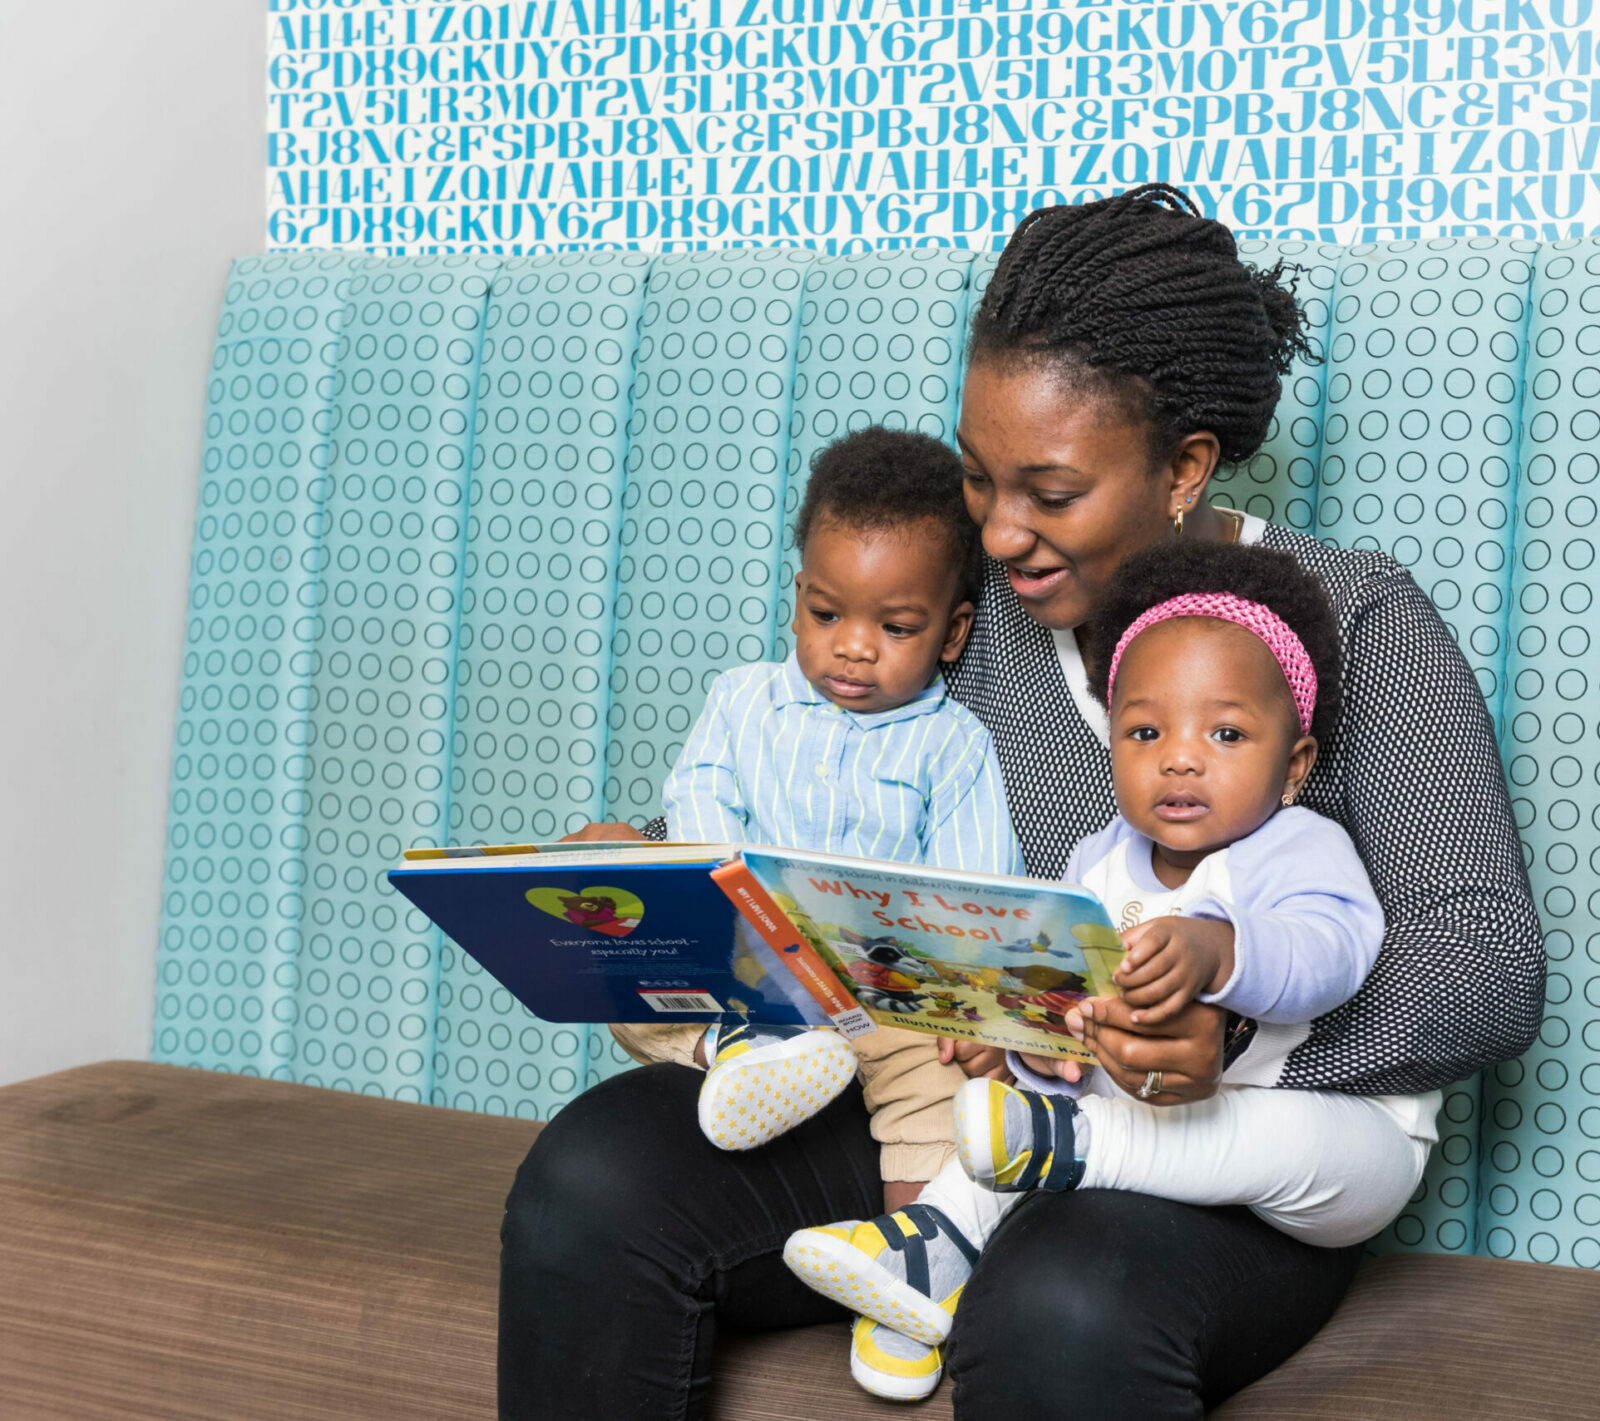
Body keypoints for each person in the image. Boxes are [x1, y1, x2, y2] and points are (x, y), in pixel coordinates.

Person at [497, 185, 1544, 1420]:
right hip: (964, 1099)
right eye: (978, 478)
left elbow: (1482, 960)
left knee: (1057, 1297)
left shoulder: (1354, 620)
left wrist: (1223, 1027)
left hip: (1244, 1140)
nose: (999, 533)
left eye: (1049, 493)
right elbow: (806, 779)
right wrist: (646, 860)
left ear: (1183, 467)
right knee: (596, 1172)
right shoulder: (959, 611)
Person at [782, 541, 1437, 1402]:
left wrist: (1223, 951)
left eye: (1226, 733)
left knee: (1312, 1140)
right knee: (1014, 1122)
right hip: (1128, 1123)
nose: (1180, 757)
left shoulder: (1301, 846)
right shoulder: (1096, 863)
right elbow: (1065, 1017)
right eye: (1145, 731)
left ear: (1295, 766)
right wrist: (1025, 1043)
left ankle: (1072, 1150)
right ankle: (921, 1253)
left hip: (1302, 1152)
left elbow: (1337, 950)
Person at [627, 426, 1020, 1191]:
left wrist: (971, 1008)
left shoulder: (952, 743)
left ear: (952, 632)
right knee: (633, 986)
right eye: (828, 614)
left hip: (885, 1003)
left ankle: (914, 1236)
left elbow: (976, 895)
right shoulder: (742, 701)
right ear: (799, 596)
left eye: (895, 627)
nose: (855, 647)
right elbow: (698, 804)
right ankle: (738, 1054)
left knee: (942, 1085)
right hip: (753, 978)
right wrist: (725, 910)